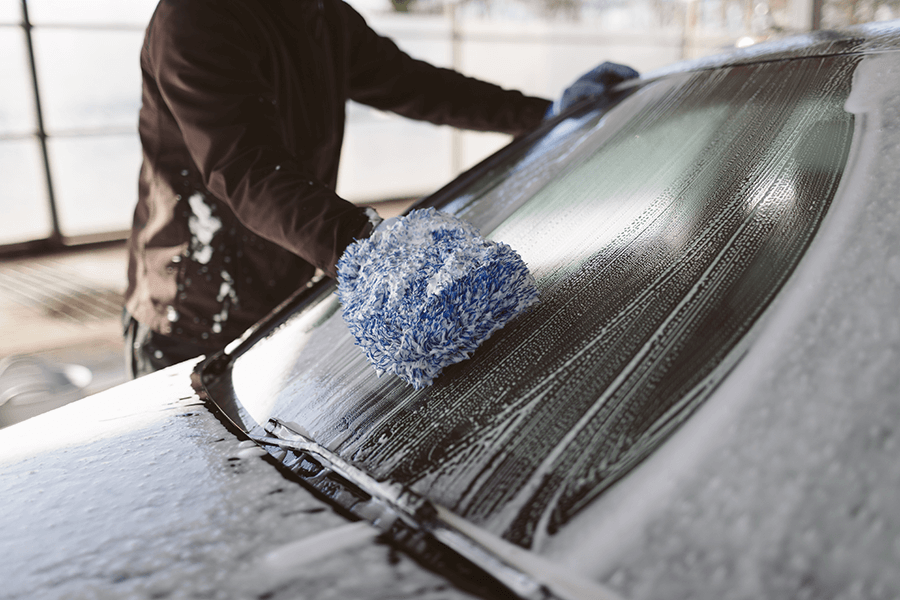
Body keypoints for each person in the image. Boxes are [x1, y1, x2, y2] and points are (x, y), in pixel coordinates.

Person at [123, 0, 638, 378]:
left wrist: (543, 114)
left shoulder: (319, 14)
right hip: (189, 311)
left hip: (282, 292)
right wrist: (369, 247)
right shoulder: (196, 18)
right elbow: (246, 168)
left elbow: (415, 84)